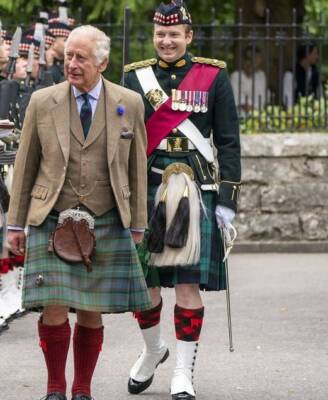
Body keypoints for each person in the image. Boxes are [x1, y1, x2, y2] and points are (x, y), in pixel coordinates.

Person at [7, 25, 152, 400]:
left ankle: (82, 388)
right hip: (52, 215)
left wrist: (138, 223)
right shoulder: (42, 101)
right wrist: (15, 223)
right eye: (68, 55)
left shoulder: (129, 103)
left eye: (81, 58)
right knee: (53, 307)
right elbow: (25, 166)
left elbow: (137, 168)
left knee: (91, 309)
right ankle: (55, 388)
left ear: (102, 63)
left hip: (107, 217)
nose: (71, 63)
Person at [123, 1, 241, 399]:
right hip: (149, 188)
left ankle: (183, 372)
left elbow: (228, 141)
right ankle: (153, 349)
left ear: (188, 36)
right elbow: (123, 140)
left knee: (188, 286)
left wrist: (228, 199)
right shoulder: (135, 77)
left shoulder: (213, 76)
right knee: (145, 286)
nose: (167, 41)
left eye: (174, 34)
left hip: (196, 189)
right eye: (161, 34)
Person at [283, 42, 322, 107]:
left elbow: (320, 94)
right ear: (307, 54)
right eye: (315, 53)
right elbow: (287, 98)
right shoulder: (290, 74)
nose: (317, 57)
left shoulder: (315, 72)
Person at [230, 46, 267, 111]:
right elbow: (239, 101)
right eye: (248, 59)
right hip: (241, 114)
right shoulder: (236, 76)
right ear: (243, 61)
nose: (250, 64)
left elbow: (262, 99)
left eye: (256, 60)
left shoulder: (261, 75)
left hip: (259, 113)